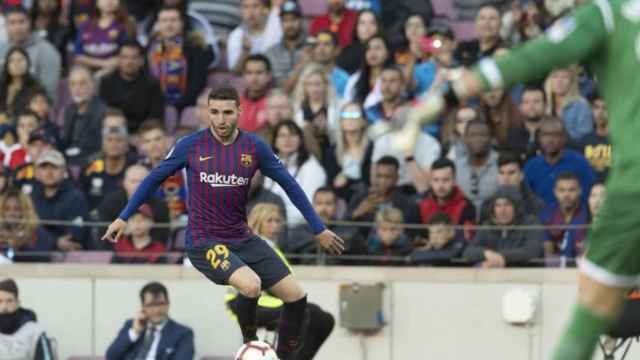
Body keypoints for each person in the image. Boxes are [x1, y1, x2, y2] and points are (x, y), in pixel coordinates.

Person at [400, 1, 637, 356]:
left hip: (635, 183)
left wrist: (444, 96)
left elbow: (528, 59)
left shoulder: (608, 13)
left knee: (594, 304)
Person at [101, 85, 344, 360]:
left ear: (239, 112)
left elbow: (289, 185)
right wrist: (123, 216)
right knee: (251, 285)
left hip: (242, 238)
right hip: (205, 242)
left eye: (227, 112)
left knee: (297, 297)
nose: (220, 120)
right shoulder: (190, 145)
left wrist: (318, 228)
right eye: (214, 112)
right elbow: (153, 178)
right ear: (207, 113)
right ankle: (250, 345)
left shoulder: (254, 147)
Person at [225, 203, 335, 360]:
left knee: (324, 319)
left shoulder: (272, 248)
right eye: (269, 221)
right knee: (305, 314)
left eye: (277, 221)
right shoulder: (251, 246)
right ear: (257, 221)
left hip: (269, 300)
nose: (275, 226)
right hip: (246, 303)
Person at [147, 4, 212, 114]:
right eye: (164, 20)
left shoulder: (195, 47)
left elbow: (198, 82)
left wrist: (177, 105)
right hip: (155, 105)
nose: (169, 25)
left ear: (181, 23)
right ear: (157, 24)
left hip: (187, 106)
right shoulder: (150, 49)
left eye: (173, 20)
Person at [106, 282, 195, 360]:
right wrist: (134, 332)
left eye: (160, 304)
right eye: (151, 305)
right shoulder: (131, 325)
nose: (157, 310)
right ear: (143, 307)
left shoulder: (183, 333)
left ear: (168, 304)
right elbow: (111, 357)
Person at [264, 120, 327, 229]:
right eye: (282, 135)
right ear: (275, 141)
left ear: (300, 140)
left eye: (292, 135)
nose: (287, 140)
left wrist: (278, 223)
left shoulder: (312, 168)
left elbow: (308, 207)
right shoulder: (270, 165)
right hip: (270, 225)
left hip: (298, 228)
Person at [462, 185, 544, 267]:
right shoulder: (488, 226)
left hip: (528, 275)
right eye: (498, 205)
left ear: (516, 207)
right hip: (497, 276)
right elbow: (468, 252)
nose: (502, 210)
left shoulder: (531, 223)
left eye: (507, 204)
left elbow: (531, 251)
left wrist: (498, 256)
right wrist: (486, 253)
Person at [97, 164, 171, 250]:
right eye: (133, 181)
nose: (137, 186)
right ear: (124, 183)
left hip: (150, 253)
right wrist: (128, 233)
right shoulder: (110, 202)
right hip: (116, 252)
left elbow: (163, 235)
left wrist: (142, 234)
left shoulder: (160, 205)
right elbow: (103, 232)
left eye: (142, 182)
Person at [523, 117, 595, 205]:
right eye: (545, 135)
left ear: (564, 138)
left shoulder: (580, 164)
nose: (549, 140)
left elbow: (588, 196)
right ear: (539, 138)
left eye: (555, 135)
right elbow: (526, 200)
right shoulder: (531, 167)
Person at [99, 40, 166, 134]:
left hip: (142, 136)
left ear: (141, 60)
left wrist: (140, 136)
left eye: (134, 58)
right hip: (114, 133)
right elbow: (103, 116)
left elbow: (155, 119)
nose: (129, 62)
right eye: (125, 57)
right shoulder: (106, 82)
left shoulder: (152, 84)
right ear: (118, 59)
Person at [0, 5, 61, 102]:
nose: (17, 27)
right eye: (12, 23)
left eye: (21, 21)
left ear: (29, 23)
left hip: (34, 109)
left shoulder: (47, 52)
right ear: (6, 26)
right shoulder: (1, 50)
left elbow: (49, 95)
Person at [32, 149, 89, 251]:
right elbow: (27, 231)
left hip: (68, 258)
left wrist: (43, 237)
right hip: (34, 253)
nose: (49, 172)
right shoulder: (30, 197)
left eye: (54, 167)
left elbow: (74, 236)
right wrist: (55, 242)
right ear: (37, 173)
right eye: (44, 167)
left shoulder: (76, 197)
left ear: (63, 171)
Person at [418, 158, 476, 241]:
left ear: (454, 181)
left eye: (446, 180)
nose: (440, 185)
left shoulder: (466, 206)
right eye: (436, 180)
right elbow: (417, 238)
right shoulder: (420, 203)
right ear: (430, 181)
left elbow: (467, 239)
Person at [73, 0, 134, 77]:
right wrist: (103, 63)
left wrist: (105, 71)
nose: (109, 1)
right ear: (97, 2)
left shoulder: (125, 26)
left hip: (115, 73)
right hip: (86, 73)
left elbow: (129, 55)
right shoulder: (85, 25)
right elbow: (78, 56)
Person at [61, 64, 107, 165]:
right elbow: (65, 142)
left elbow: (102, 149)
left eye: (82, 83)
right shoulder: (69, 109)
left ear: (93, 85)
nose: (77, 88)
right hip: (68, 161)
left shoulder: (103, 112)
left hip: (89, 163)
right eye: (72, 84)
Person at [479, 151, 545, 222]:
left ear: (521, 175)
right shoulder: (487, 205)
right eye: (501, 173)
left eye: (511, 173)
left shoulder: (536, 205)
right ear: (497, 176)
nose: (505, 178)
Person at [0, 278, 55, 359]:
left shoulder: (35, 332)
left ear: (18, 303)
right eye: (0, 301)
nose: (4, 306)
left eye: (9, 301)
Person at [540, 172, 589, 260]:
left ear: (580, 191)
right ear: (555, 192)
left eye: (571, 190)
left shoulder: (588, 214)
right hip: (554, 267)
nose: (566, 195)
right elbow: (546, 247)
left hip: (581, 265)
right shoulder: (547, 213)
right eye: (561, 190)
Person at [0, 186, 56, 262]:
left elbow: (43, 258)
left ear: (26, 210)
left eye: (17, 209)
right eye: (7, 209)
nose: (11, 213)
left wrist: (19, 246)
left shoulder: (37, 232)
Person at [454, 119, 499, 211]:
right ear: (464, 139)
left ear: (491, 138)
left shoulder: (501, 164)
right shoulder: (456, 166)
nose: (477, 139)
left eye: (482, 135)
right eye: (472, 135)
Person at [227, 0, 283, 73]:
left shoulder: (277, 26)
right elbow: (235, 71)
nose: (250, 11)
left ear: (264, 9)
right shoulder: (235, 36)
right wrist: (245, 51)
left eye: (255, 6)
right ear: (241, 11)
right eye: (246, 7)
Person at [545, 66, 594, 142]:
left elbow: (585, 137)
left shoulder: (581, 106)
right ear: (549, 81)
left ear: (571, 82)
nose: (559, 81)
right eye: (555, 77)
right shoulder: (544, 105)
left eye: (564, 77)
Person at [264, 1, 307, 87]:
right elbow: (280, 88)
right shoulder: (271, 53)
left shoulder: (311, 50)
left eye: (293, 19)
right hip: (278, 98)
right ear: (280, 22)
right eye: (285, 20)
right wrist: (302, 65)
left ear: (301, 20)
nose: (290, 24)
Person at [574, 92, 611, 183]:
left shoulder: (621, 141)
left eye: (605, 108)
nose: (600, 112)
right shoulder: (584, 141)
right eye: (596, 107)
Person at [0, 47, 41, 121]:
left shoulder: (35, 88)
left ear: (28, 63)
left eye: (20, 60)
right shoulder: (2, 86)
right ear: (7, 65)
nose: (16, 64)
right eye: (11, 60)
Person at [336, 9, 380, 75]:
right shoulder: (347, 52)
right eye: (362, 23)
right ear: (356, 27)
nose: (367, 28)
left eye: (372, 23)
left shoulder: (386, 50)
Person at [239, 54, 272, 132]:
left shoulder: (276, 104)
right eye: (249, 73)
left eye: (259, 72)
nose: (254, 78)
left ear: (268, 76)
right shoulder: (235, 103)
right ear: (243, 76)